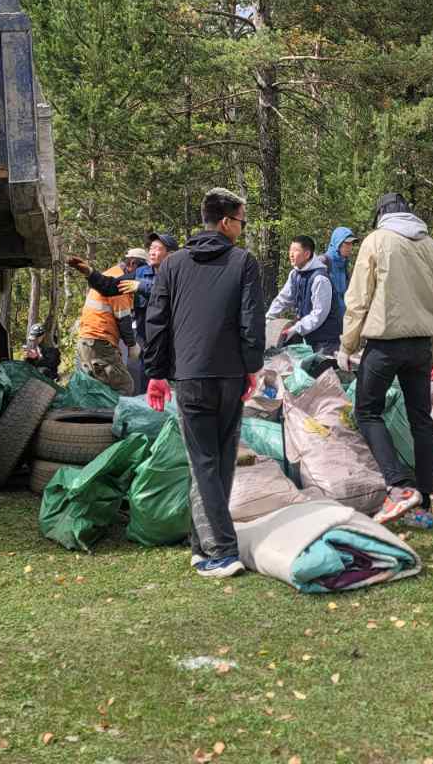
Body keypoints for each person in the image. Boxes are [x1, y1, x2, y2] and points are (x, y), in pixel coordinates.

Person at [142, 187, 264, 578]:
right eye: (242, 221)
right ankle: (221, 551)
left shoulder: (172, 266)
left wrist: (156, 374)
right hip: (228, 375)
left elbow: (156, 324)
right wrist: (250, 366)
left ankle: (205, 545)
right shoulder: (243, 262)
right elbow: (251, 319)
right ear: (226, 222)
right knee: (217, 460)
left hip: (190, 376)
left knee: (208, 461)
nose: (242, 229)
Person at [341, 192, 433, 530]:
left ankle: (399, 485)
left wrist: (348, 344)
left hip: (384, 343)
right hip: (420, 345)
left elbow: (359, 298)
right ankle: (425, 503)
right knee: (421, 420)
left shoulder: (376, 241)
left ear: (381, 215)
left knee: (366, 411)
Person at [63, 251, 141, 395]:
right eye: (141, 272)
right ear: (132, 264)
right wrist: (132, 345)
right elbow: (124, 319)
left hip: (87, 341)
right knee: (124, 385)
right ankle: (112, 417)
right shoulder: (121, 282)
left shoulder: (110, 274)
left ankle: (93, 416)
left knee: (96, 390)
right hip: (99, 343)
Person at [265, 235, 344, 354]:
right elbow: (283, 299)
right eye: (290, 250)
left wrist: (296, 328)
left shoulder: (320, 279)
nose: (291, 254)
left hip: (327, 341)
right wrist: (268, 318)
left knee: (322, 371)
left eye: (295, 251)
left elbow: (319, 314)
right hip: (309, 337)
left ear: (307, 254)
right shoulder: (295, 274)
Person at [323, 227, 357, 319]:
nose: (350, 247)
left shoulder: (344, 263)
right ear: (337, 243)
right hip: (327, 321)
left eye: (351, 244)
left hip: (342, 320)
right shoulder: (324, 262)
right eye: (347, 243)